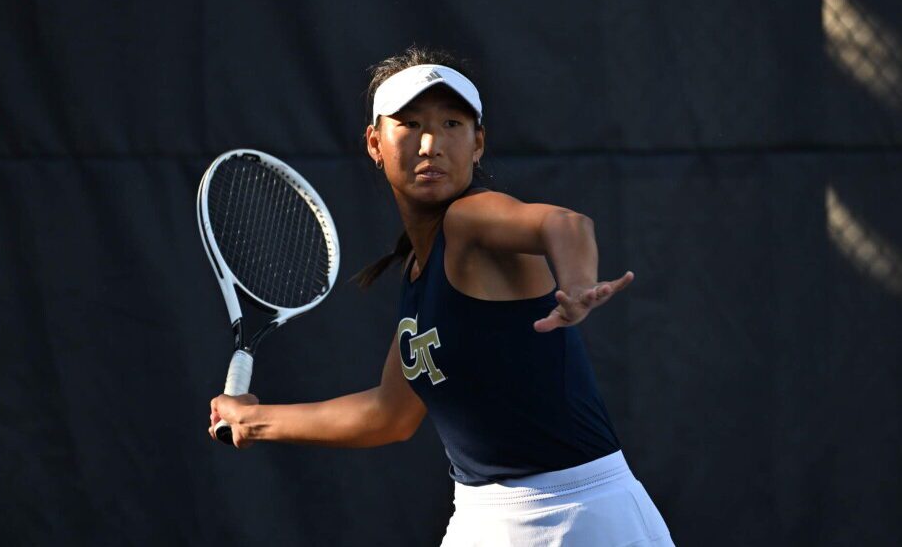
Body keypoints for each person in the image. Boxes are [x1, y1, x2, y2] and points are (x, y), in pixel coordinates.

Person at [209, 46, 674, 546]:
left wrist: (578, 282)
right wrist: (256, 422)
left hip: (583, 518)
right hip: (481, 518)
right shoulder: (417, 270)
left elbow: (563, 222)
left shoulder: (470, 220)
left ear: (478, 143)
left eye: (453, 124)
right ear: (374, 142)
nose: (431, 143)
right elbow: (389, 415)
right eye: (409, 124)